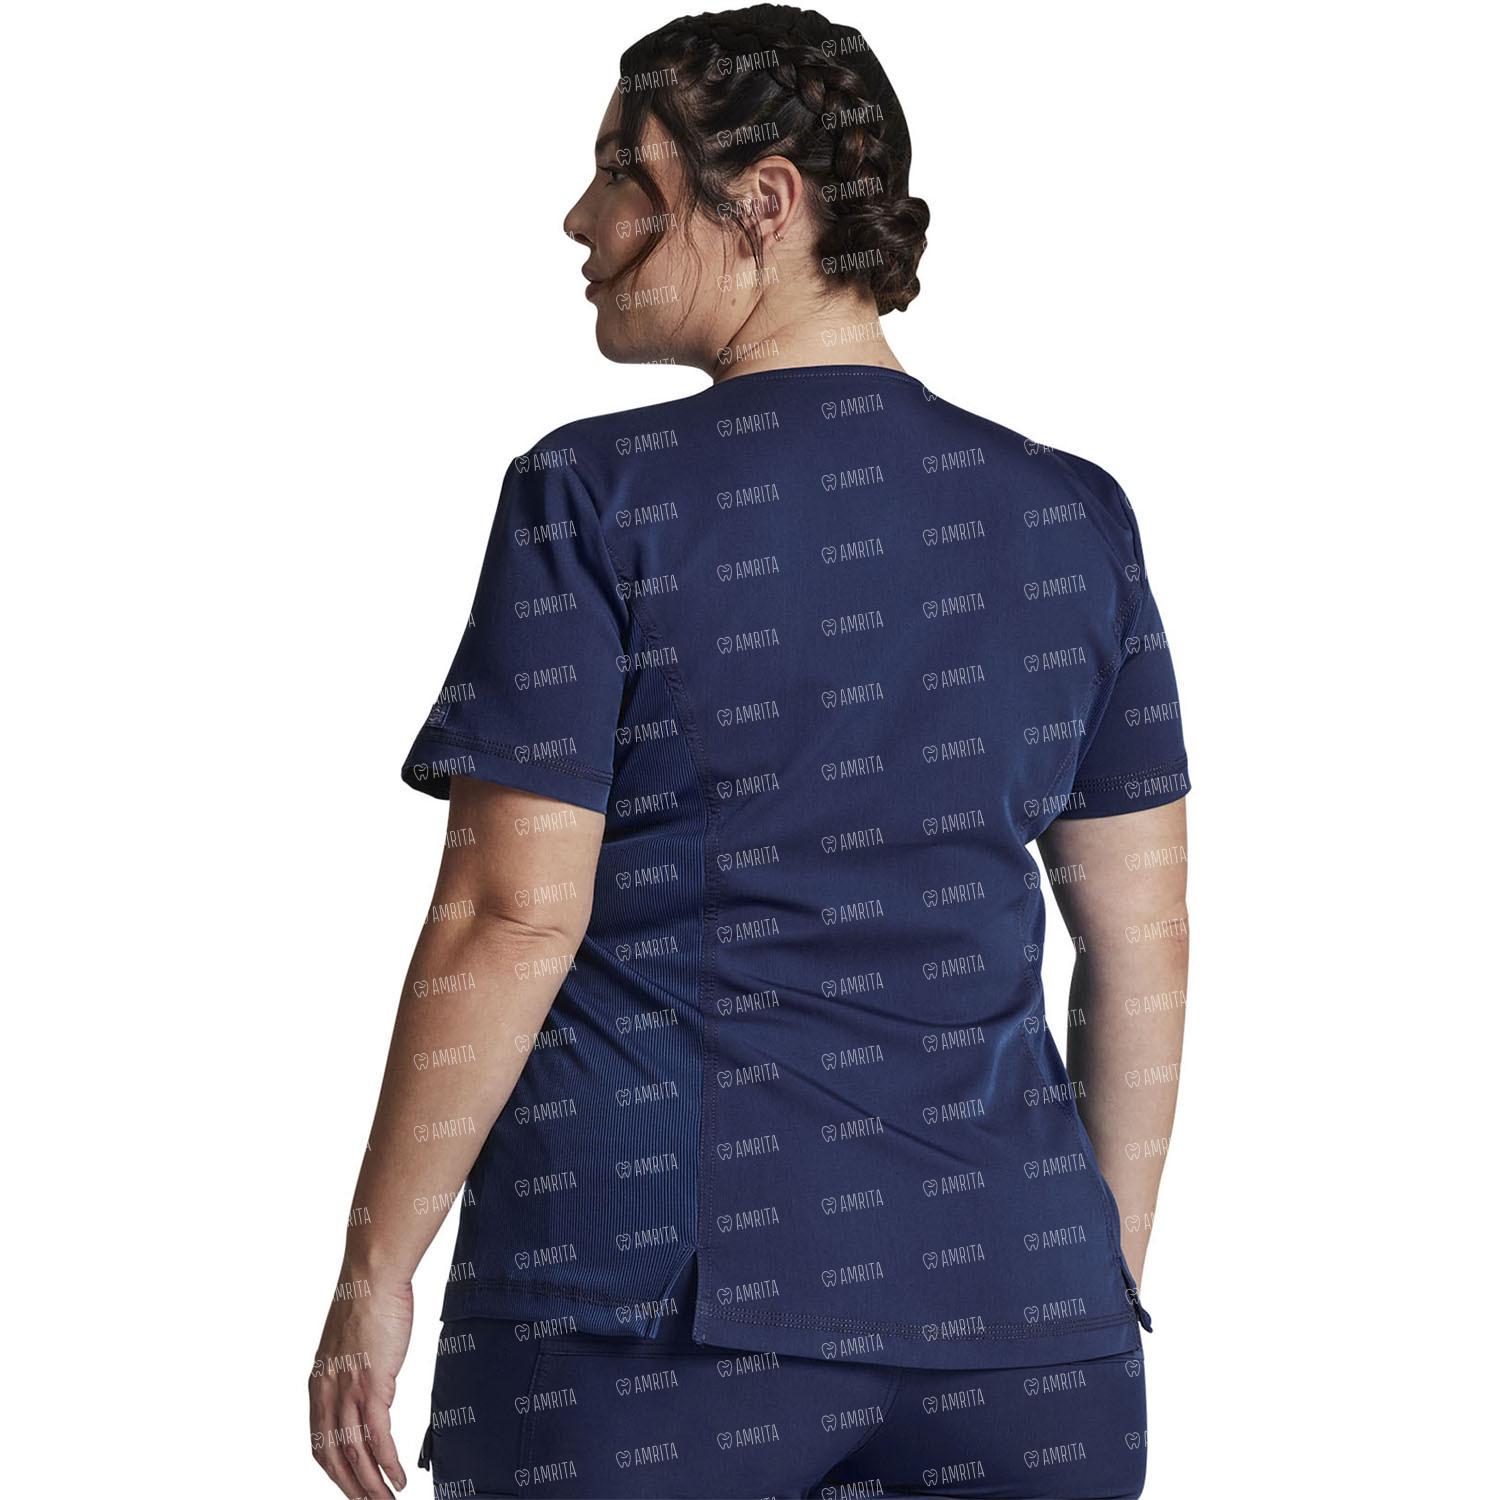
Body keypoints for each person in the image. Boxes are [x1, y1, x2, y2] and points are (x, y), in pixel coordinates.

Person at [308, 7, 1190, 1497]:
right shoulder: (1073, 514)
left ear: (765, 200)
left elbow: (509, 914)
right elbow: (1145, 939)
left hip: (645, 1321)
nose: (579, 219)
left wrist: (373, 1271)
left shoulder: (595, 494)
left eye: (622, 174)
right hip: (1028, 1344)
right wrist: (1079, 1280)